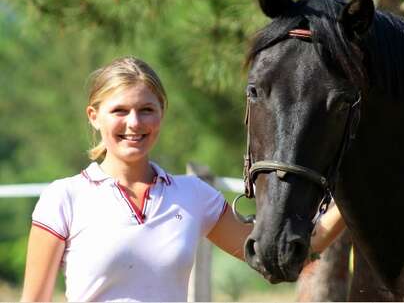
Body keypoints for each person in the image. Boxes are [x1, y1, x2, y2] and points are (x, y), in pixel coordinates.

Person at [20, 57, 345, 302]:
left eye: (146, 109)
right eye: (120, 111)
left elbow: (285, 253)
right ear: (94, 116)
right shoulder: (63, 198)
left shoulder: (193, 195)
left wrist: (351, 200)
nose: (134, 122)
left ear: (162, 112)